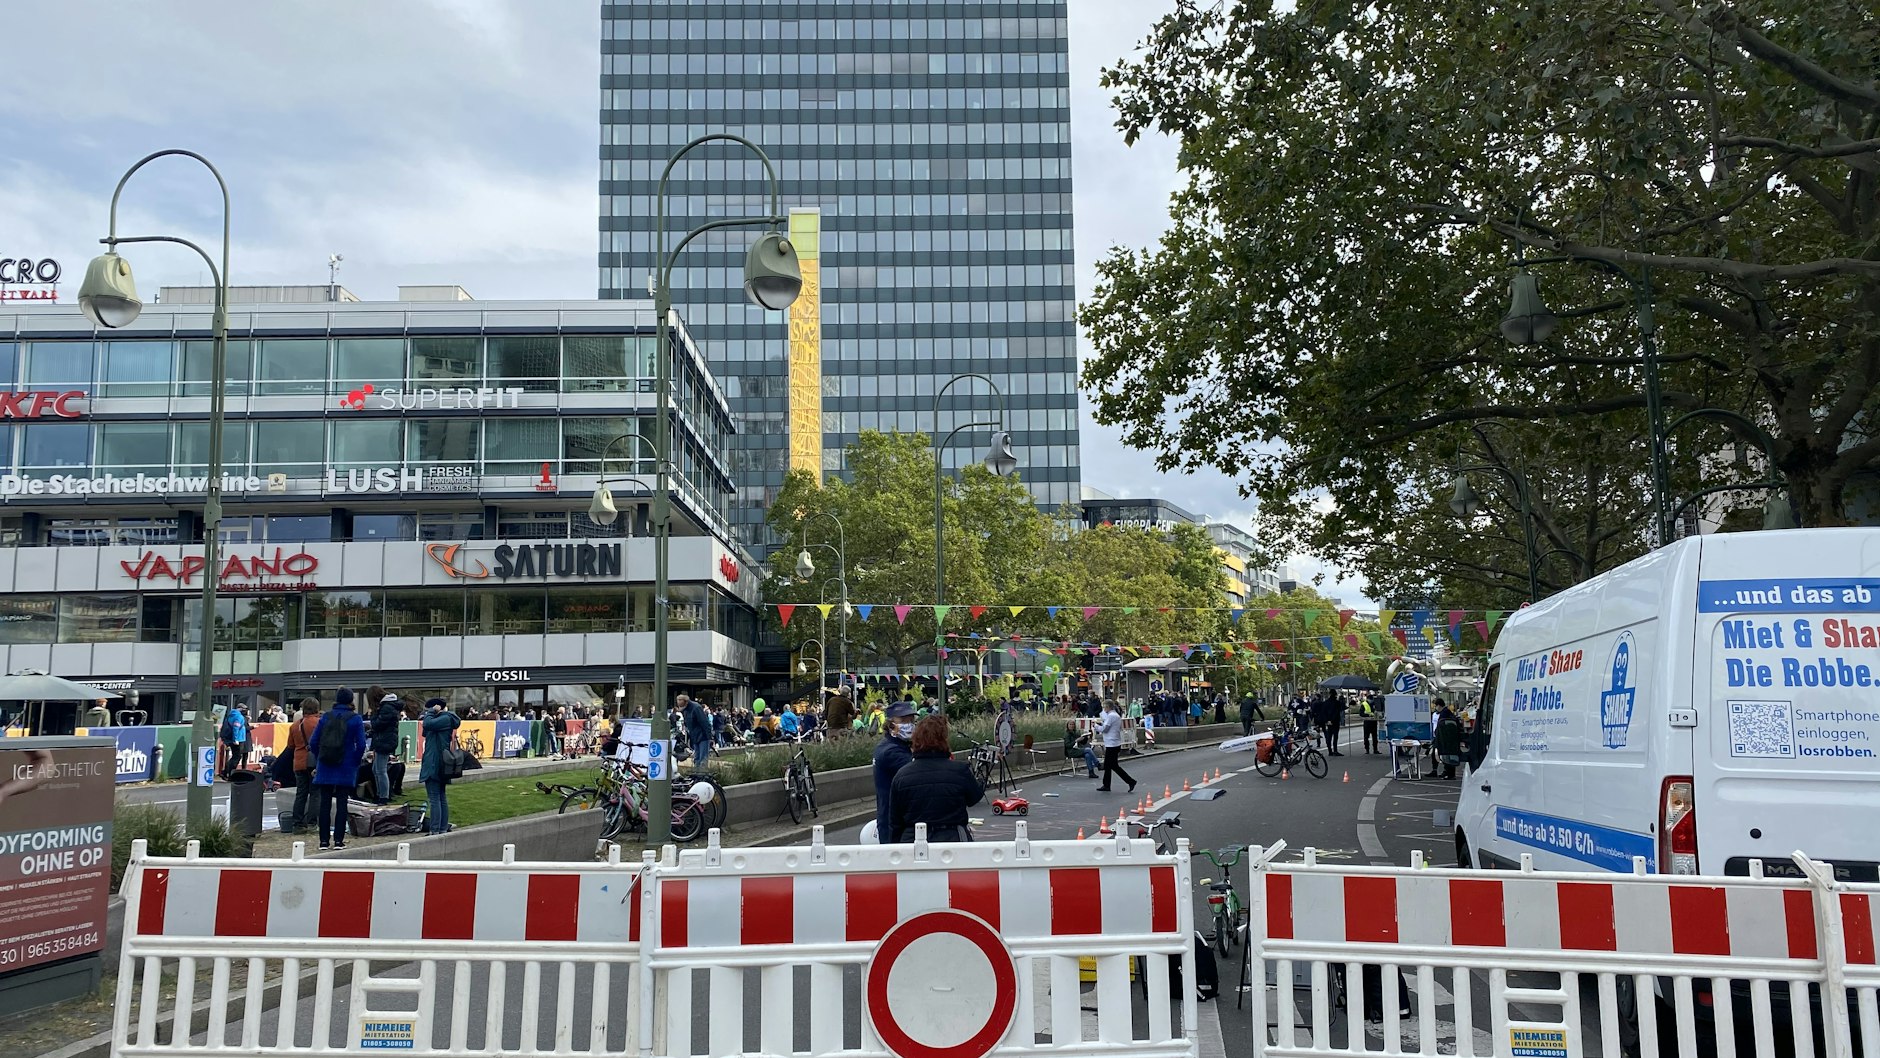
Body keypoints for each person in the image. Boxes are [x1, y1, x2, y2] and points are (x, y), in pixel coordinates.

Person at [889, 715, 985, 843]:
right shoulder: (959, 770)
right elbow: (974, 798)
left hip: (913, 839)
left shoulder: (902, 775)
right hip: (952, 837)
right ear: (944, 739)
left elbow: (895, 821)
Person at [310, 688, 367, 851]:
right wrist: (355, 761)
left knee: (325, 803)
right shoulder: (355, 719)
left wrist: (320, 756)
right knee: (342, 803)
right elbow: (362, 744)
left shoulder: (325, 717)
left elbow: (313, 742)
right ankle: (339, 841)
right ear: (351, 701)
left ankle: (323, 841)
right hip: (346, 764)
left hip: (326, 763)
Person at [871, 700, 917, 842]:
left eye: (911, 720)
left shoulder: (896, 746)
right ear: (891, 724)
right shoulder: (891, 752)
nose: (909, 725)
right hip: (894, 823)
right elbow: (916, 772)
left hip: (896, 819)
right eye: (903, 720)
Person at [418, 698, 460, 834]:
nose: (426, 713)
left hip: (434, 763)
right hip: (440, 762)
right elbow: (426, 730)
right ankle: (441, 828)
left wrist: (430, 713)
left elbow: (427, 724)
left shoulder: (444, 719)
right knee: (441, 796)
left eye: (428, 709)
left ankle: (435, 829)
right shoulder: (445, 720)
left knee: (435, 798)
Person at [285, 697, 322, 833]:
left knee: (301, 793)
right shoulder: (320, 723)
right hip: (315, 762)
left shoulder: (295, 726)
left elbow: (290, 745)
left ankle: (297, 824)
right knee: (315, 794)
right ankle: (312, 824)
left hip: (299, 761)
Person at [1096, 699, 1137, 793]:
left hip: (1111, 743)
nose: (1103, 709)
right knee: (1110, 765)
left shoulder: (1111, 716)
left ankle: (1130, 781)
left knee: (1112, 765)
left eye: (1104, 707)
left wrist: (1096, 726)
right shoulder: (1116, 715)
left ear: (1108, 707)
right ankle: (1107, 784)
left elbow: (1105, 729)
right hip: (1114, 742)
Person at [367, 693, 401, 804]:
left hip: (384, 741)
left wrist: (372, 715)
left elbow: (377, 724)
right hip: (385, 740)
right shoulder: (389, 707)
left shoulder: (386, 708)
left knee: (380, 770)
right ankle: (380, 794)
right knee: (376, 769)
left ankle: (383, 797)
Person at [680, 694, 712, 772]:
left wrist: (709, 736)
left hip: (702, 736)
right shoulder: (687, 710)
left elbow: (704, 723)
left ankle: (701, 773)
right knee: (697, 757)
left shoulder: (696, 708)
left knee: (702, 757)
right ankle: (697, 772)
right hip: (695, 736)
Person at [1433, 702, 1466, 779]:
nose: (1435, 708)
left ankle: (1448, 773)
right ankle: (1447, 772)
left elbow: (1441, 726)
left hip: (1446, 738)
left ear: (1439, 705)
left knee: (1446, 755)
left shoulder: (1444, 714)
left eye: (1436, 706)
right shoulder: (1448, 713)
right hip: (1452, 738)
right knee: (1450, 755)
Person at [218, 703, 250, 779]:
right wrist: (235, 739)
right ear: (241, 709)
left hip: (232, 739)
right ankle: (228, 772)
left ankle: (226, 772)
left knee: (235, 756)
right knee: (237, 757)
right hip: (238, 739)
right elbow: (236, 727)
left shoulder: (230, 715)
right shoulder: (238, 716)